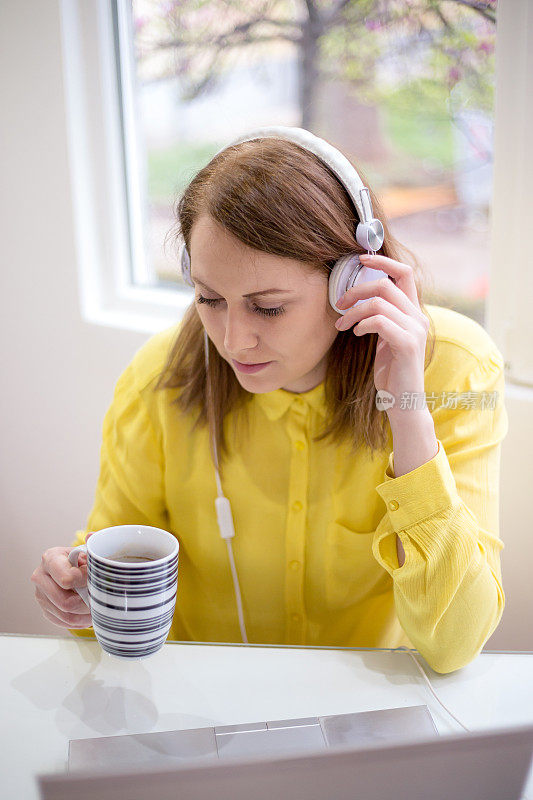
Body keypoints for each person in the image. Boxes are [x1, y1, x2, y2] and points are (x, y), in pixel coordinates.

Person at [30, 129, 508, 674]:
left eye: (269, 308)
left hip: (365, 718)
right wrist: (76, 590)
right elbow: (115, 564)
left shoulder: (455, 368)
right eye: (209, 299)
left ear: (354, 282)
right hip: (200, 708)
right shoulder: (158, 379)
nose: (233, 340)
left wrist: (407, 410)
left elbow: (455, 645)